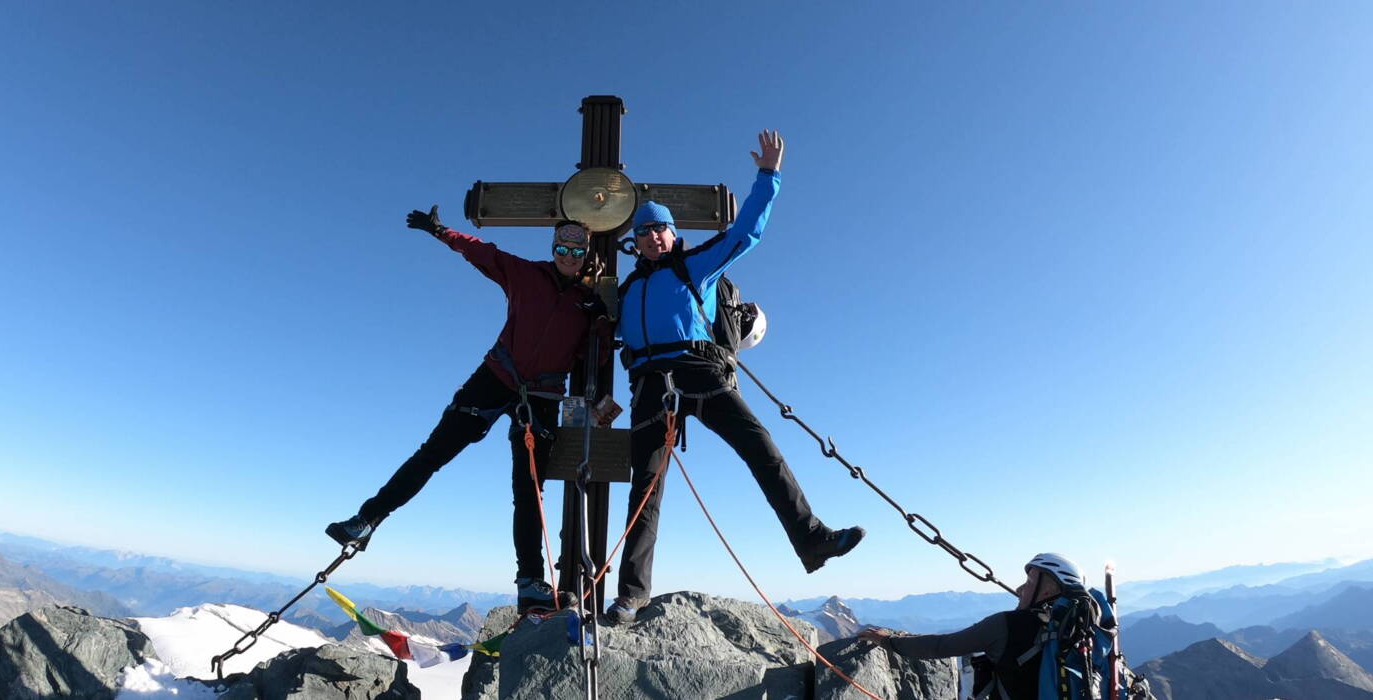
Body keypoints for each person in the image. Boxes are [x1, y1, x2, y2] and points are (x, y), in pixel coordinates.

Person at [605, 130, 865, 625]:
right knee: (645, 488)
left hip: (699, 371)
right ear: (634, 241)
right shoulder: (629, 288)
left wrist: (769, 176)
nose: (653, 237)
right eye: (644, 232)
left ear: (672, 233)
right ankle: (631, 594)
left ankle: (812, 539)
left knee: (759, 446)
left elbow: (746, 232)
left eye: (660, 229)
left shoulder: (695, 267)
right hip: (648, 386)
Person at [326, 209, 609, 612]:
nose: (568, 255)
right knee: (434, 452)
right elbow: (481, 252)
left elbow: (588, 361)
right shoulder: (526, 274)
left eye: (576, 249)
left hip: (543, 396)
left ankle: (530, 581)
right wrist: (441, 232)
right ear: (553, 248)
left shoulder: (587, 304)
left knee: (529, 491)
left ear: (585, 254)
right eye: (562, 247)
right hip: (495, 376)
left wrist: (601, 325)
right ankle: (366, 520)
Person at [858, 553, 1087, 700]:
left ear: (1047, 592)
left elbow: (941, 646)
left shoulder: (1005, 625)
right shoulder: (1079, 631)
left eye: (1028, 584)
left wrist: (887, 640)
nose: (1019, 589)